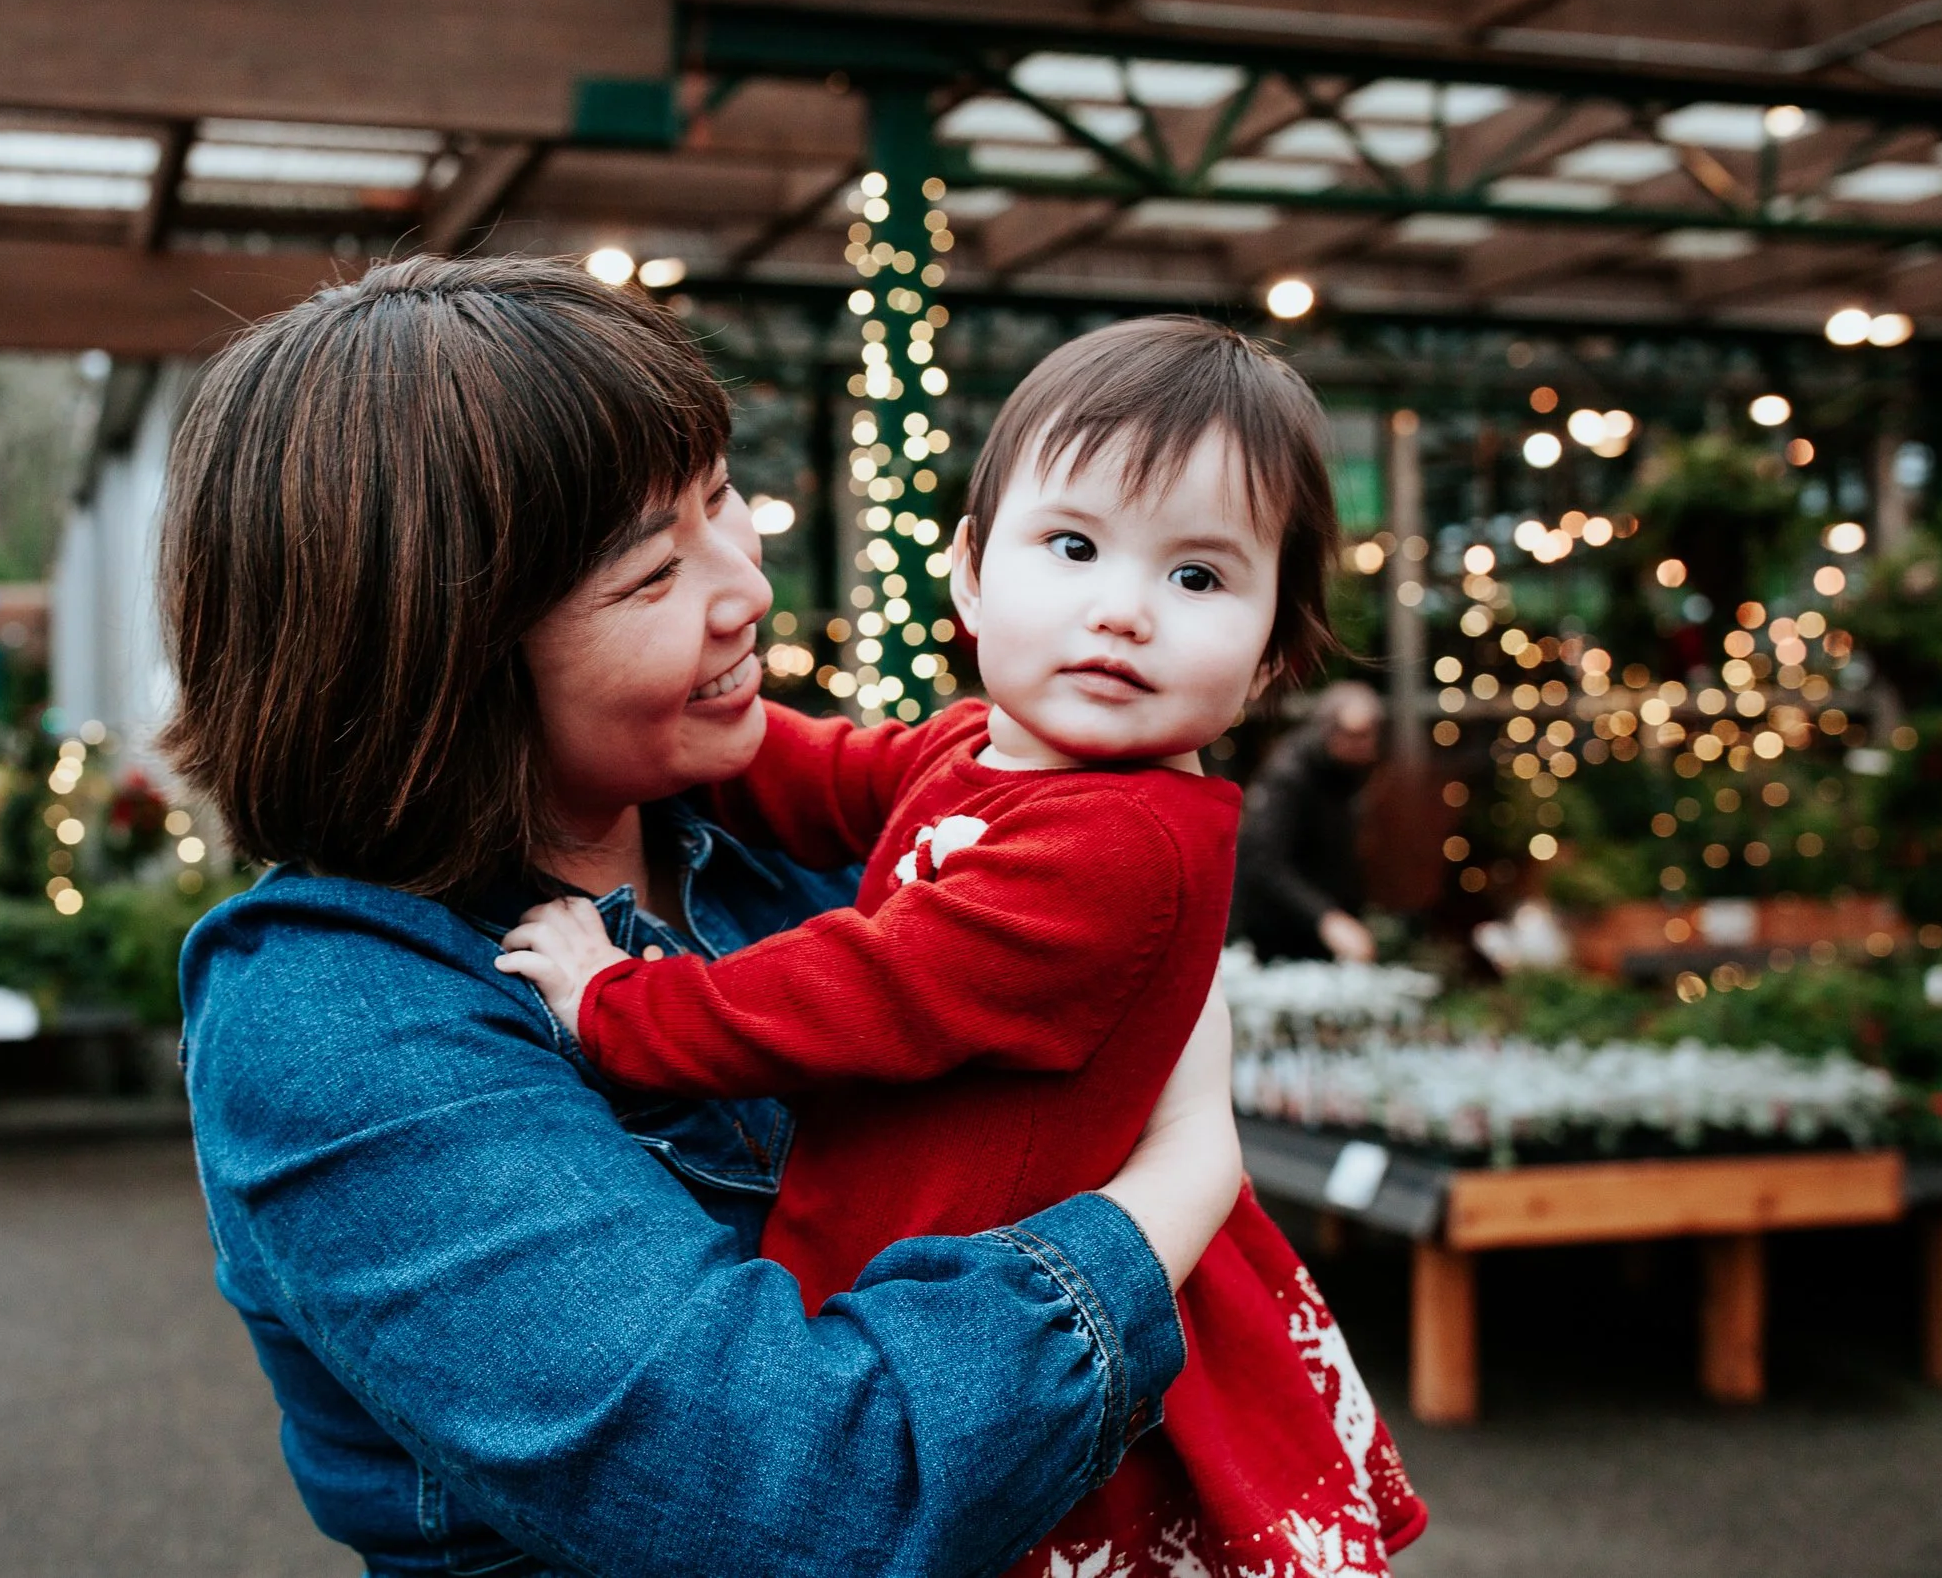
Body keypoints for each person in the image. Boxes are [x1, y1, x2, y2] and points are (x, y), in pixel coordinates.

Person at [160, 256, 1241, 1578]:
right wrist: (1174, 1187)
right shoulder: (343, 1019)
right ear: (446, 661)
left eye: (724, 499)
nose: (747, 588)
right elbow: (812, 1493)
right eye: (652, 573)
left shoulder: (764, 836)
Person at [500, 318, 1424, 1578]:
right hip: (891, 1258)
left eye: (1198, 577)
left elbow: (861, 990)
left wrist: (619, 1003)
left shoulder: (1122, 842)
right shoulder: (982, 744)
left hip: (969, 1309)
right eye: (1075, 545)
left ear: (1270, 653)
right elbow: (820, 767)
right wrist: (689, 710)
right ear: (975, 574)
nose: (1122, 611)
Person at [1230, 680, 1385, 963]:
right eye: (1353, 736)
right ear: (1328, 730)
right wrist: (1326, 918)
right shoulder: (1288, 777)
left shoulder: (1350, 772)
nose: (1363, 745)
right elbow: (1263, 861)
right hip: (1274, 935)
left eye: (1369, 735)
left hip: (1323, 923)